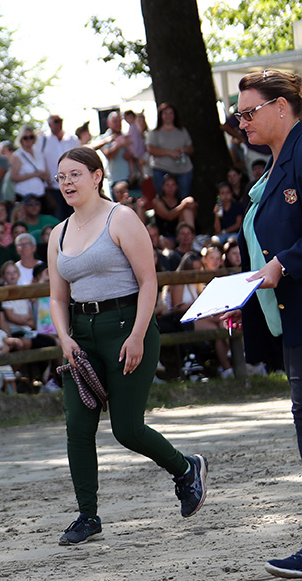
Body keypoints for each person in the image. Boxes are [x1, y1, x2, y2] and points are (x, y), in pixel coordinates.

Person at [47, 146, 207, 546]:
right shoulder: (58, 233)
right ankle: (87, 516)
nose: (66, 182)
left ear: (97, 176)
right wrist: (64, 337)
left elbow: (149, 281)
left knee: (126, 428)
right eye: (61, 176)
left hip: (125, 325)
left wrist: (138, 334)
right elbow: (57, 297)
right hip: (81, 333)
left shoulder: (121, 218)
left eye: (74, 175)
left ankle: (185, 468)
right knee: (77, 429)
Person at [212, 72, 302, 576]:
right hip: (290, 316)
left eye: (249, 113)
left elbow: (285, 251)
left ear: (282, 106)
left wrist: (283, 265)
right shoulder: (272, 164)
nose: (241, 123)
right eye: (238, 115)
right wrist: (242, 295)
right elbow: (262, 249)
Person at [147, 103, 196, 198]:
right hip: (161, 169)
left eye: (171, 113)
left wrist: (184, 150)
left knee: (184, 197)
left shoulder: (182, 131)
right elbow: (151, 150)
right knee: (163, 198)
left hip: (183, 169)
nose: (168, 116)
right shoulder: (154, 133)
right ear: (161, 116)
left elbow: (191, 149)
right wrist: (169, 153)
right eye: (165, 113)